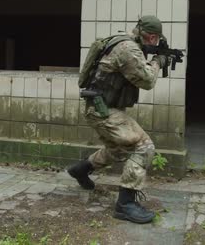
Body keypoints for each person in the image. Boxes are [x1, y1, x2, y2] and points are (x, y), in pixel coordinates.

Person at [67, 15, 168, 224]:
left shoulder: (123, 42)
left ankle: (80, 170)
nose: (156, 43)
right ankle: (125, 205)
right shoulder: (128, 49)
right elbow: (147, 80)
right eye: (156, 39)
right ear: (151, 37)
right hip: (104, 110)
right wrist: (158, 61)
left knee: (118, 150)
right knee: (143, 147)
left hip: (99, 108)